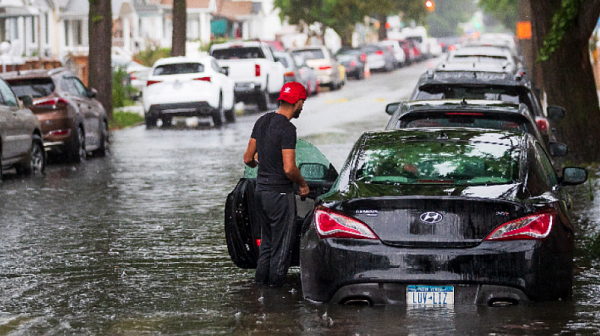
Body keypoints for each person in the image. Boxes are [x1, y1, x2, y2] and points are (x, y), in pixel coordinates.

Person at [243, 82, 310, 287]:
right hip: (279, 194)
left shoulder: (262, 121)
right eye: (303, 103)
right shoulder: (288, 128)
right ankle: (275, 299)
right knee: (282, 247)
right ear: (297, 102)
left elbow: (247, 158)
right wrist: (303, 185)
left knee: (267, 245)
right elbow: (289, 168)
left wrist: (259, 164)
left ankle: (260, 290)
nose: (302, 107)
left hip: (260, 192)